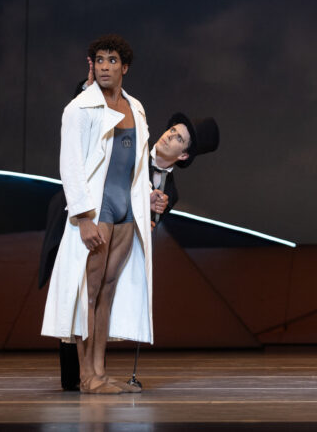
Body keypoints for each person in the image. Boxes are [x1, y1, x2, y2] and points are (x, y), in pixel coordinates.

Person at [37, 54, 220, 391]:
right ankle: (83, 374)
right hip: (78, 217)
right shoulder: (134, 135)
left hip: (113, 242)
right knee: (76, 294)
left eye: (178, 138)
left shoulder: (169, 192)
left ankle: (90, 374)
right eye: (171, 130)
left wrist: (151, 208)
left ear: (183, 156)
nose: (168, 137)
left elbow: (146, 227)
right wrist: (90, 85)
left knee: (95, 296)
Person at [41, 35, 155, 394]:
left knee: (107, 290)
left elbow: (136, 165)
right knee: (86, 293)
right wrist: (84, 217)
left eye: (112, 60)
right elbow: (70, 166)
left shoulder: (135, 107)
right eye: (99, 60)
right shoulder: (79, 108)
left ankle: (100, 371)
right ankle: (86, 376)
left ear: (125, 67)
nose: (105, 66)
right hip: (97, 208)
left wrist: (148, 198)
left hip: (126, 211)